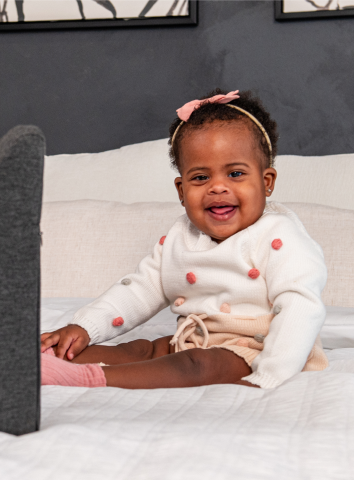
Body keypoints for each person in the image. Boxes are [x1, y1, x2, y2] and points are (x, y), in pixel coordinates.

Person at [40, 89, 329, 390]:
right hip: (192, 341)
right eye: (201, 178)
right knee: (141, 349)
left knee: (197, 365)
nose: (217, 187)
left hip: (258, 349)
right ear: (181, 190)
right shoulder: (181, 237)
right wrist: (85, 327)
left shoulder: (280, 235)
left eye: (235, 173)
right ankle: (48, 359)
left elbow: (301, 307)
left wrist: (270, 374)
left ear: (266, 182)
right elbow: (139, 290)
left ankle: (91, 378)